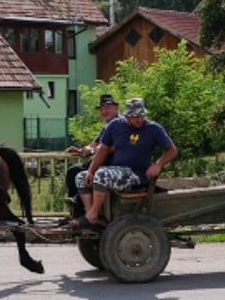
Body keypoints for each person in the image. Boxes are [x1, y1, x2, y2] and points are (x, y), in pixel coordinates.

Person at [74, 97, 178, 228]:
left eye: (141, 115)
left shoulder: (153, 128)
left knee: (101, 175)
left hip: (137, 175)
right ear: (127, 116)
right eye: (135, 117)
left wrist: (158, 164)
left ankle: (93, 214)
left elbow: (172, 150)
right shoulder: (115, 125)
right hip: (118, 171)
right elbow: (103, 150)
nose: (139, 119)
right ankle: (91, 215)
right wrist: (90, 170)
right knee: (81, 177)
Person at [64, 93, 121, 217]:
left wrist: (94, 151)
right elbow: (93, 144)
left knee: (86, 168)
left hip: (114, 163)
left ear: (116, 108)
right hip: (103, 160)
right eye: (101, 109)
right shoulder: (106, 127)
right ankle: (77, 210)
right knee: (73, 171)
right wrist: (80, 151)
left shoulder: (119, 124)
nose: (104, 111)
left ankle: (83, 209)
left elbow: (112, 147)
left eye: (107, 108)